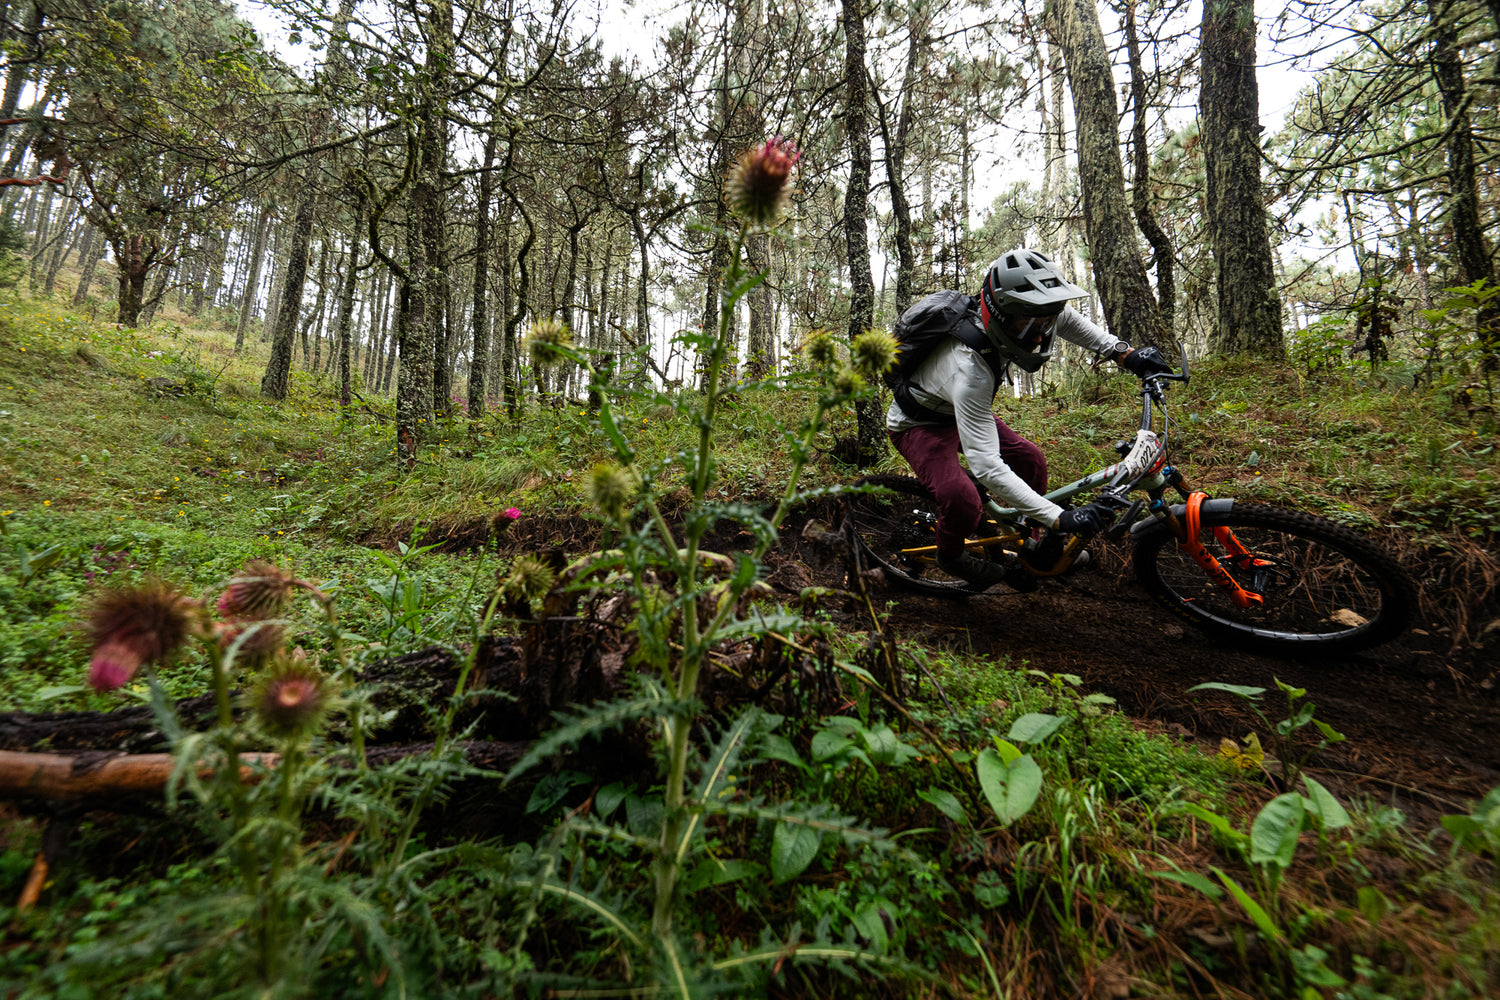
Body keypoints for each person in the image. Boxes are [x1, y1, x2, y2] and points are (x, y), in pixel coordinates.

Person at [886, 247, 1172, 589]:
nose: (1039, 336)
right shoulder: (968, 369)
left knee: (1031, 461)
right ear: (1000, 315)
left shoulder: (1026, 317)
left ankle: (1030, 549)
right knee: (961, 499)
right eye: (1030, 325)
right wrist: (1061, 518)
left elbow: (1064, 319)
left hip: (957, 410)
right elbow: (987, 466)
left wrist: (1123, 353)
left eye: (1043, 323)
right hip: (919, 425)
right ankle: (951, 556)